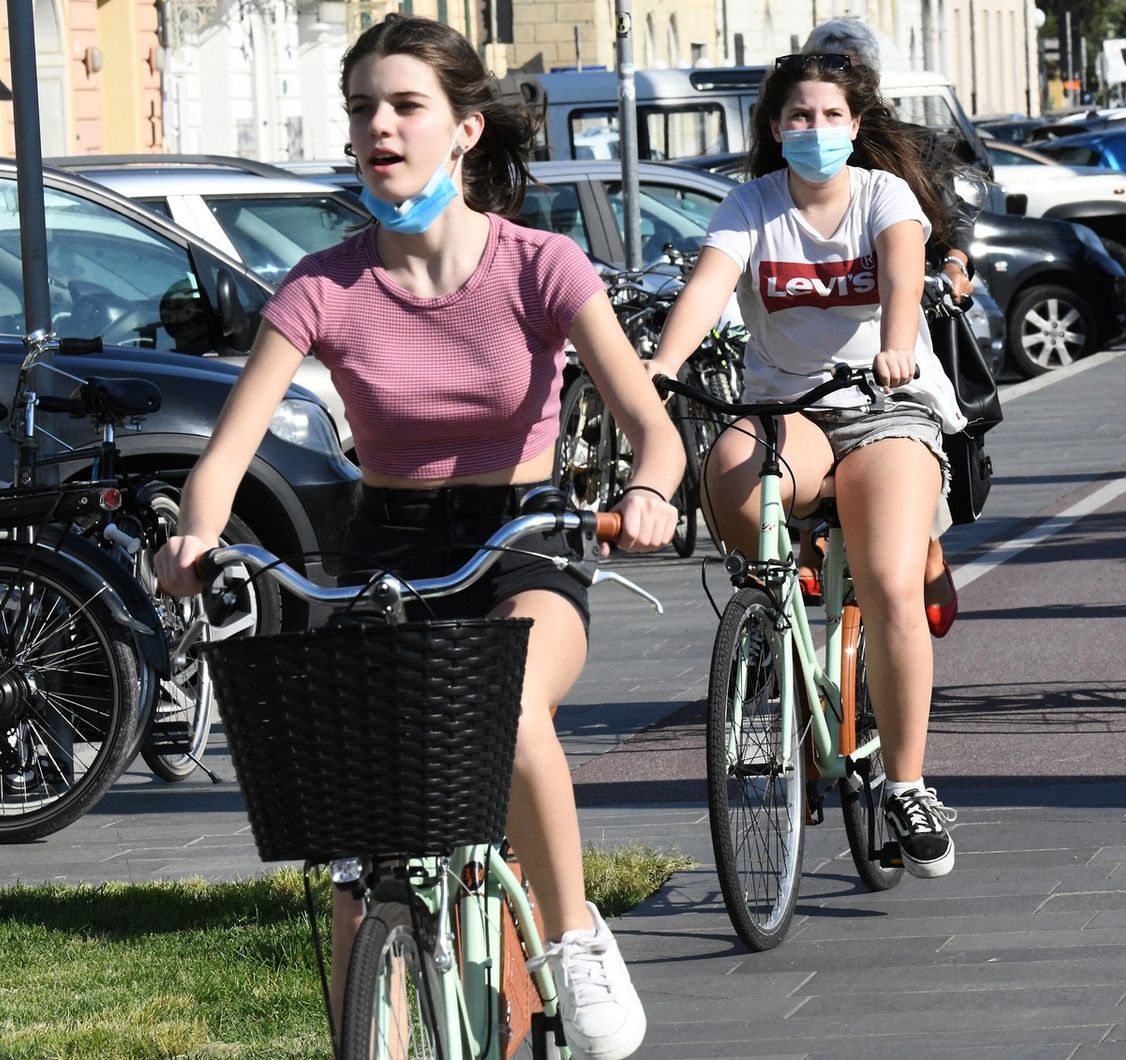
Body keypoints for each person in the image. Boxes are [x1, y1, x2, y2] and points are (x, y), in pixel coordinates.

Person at [154, 15, 682, 1059]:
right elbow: (226, 449)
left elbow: (650, 426)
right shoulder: (324, 283)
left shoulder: (541, 265)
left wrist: (656, 489)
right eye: (362, 109)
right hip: (386, 544)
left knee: (511, 695)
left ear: (465, 129)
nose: (379, 127)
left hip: (522, 534)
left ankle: (573, 937)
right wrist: (192, 535)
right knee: (368, 850)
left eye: (405, 106)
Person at [644, 54, 964, 877]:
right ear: (775, 127)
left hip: (884, 405)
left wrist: (898, 345)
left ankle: (906, 782)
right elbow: (710, 285)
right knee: (731, 475)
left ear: (854, 126)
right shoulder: (752, 204)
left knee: (891, 583)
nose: (812, 131)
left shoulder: (882, 195)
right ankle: (777, 644)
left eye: (828, 116)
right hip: (788, 407)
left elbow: (901, 271)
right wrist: (662, 364)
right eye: (796, 117)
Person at [799, 17, 978, 638]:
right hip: (811, 316)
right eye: (825, 60)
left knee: (921, 414)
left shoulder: (917, 145)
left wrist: (953, 265)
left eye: (849, 64)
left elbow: (954, 219)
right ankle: (794, 557)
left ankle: (927, 547)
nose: (836, 73)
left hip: (904, 309)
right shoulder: (791, 136)